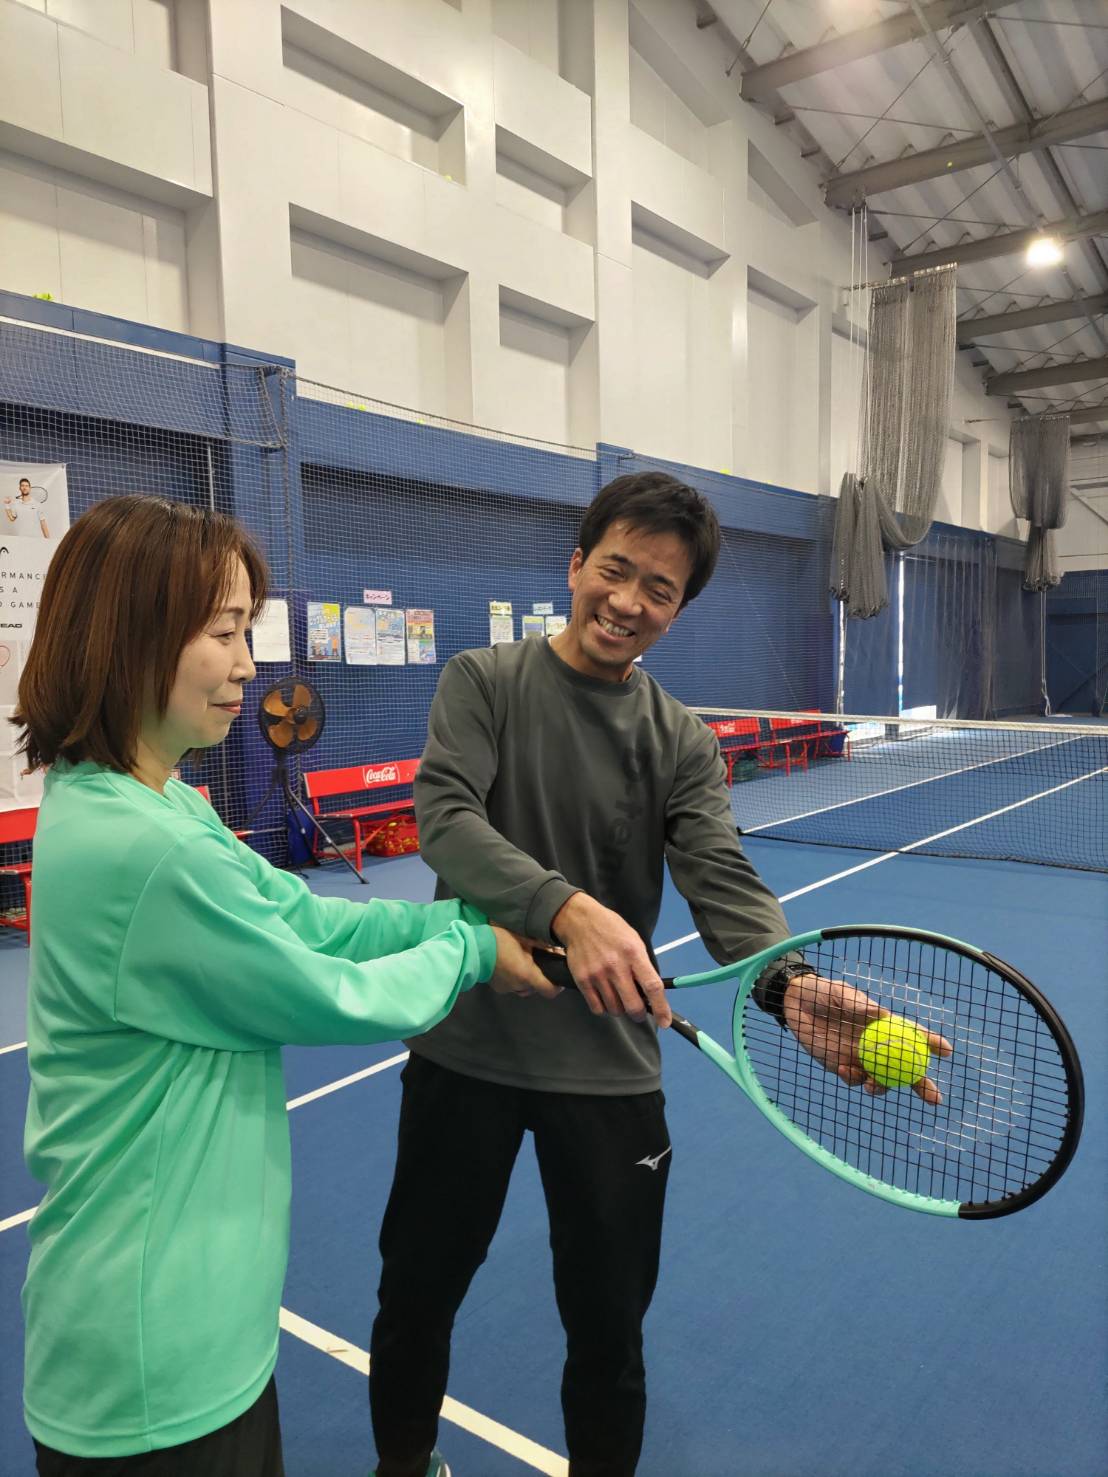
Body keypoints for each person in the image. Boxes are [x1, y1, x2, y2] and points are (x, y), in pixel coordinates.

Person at [368, 471, 939, 1477]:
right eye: (616, 569)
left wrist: (787, 983)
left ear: (677, 611)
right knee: (416, 1292)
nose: (628, 601)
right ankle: (403, 1466)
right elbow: (446, 823)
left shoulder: (679, 739)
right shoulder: (481, 681)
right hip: (466, 1051)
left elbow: (718, 871)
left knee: (608, 1329)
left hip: (609, 1073)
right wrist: (568, 908)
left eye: (660, 589)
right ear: (576, 563)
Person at [16, 494, 559, 1476]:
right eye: (224, 631)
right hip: (155, 1364)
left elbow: (305, 917)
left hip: (194, 1332)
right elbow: (331, 993)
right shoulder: (146, 848)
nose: (248, 666)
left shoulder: (151, 804)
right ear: (134, 637)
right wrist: (476, 953)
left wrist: (450, 921)